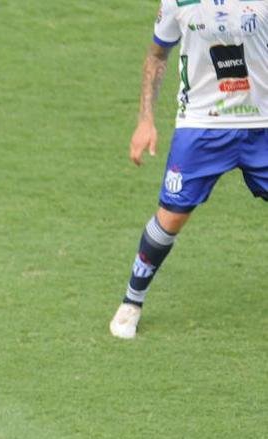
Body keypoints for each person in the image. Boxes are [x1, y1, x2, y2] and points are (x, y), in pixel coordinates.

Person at [110, 1, 267, 339]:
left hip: (262, 124)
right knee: (171, 217)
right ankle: (131, 302)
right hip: (201, 126)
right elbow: (156, 56)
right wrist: (145, 120)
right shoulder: (179, 2)